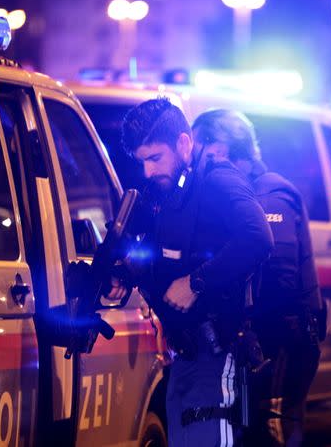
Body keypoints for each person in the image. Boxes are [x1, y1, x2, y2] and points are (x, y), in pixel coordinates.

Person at [108, 98, 273, 447]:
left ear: (184, 143)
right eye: (142, 161)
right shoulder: (166, 190)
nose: (149, 171)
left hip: (218, 349)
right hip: (185, 352)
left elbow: (258, 236)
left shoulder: (217, 178)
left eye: (156, 158)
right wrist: (123, 273)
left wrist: (196, 283)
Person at [191, 109, 325, 447]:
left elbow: (279, 279)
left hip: (281, 340)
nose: (193, 161)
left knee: (272, 429)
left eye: (197, 148)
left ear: (219, 149)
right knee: (251, 431)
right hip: (269, 339)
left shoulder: (268, 195)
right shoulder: (246, 193)